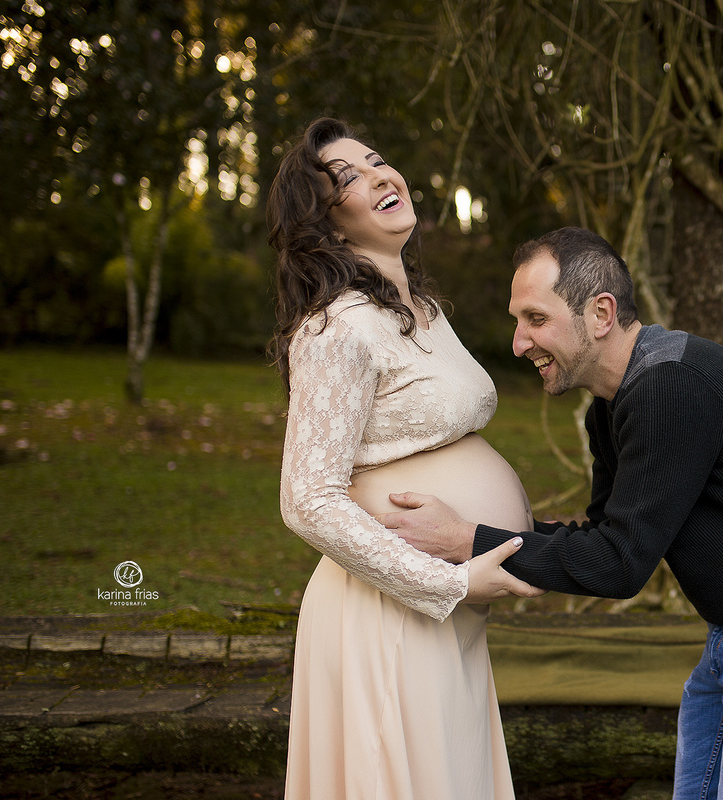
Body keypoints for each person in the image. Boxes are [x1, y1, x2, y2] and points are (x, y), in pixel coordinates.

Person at [380, 227, 723, 799]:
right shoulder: (612, 405)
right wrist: (490, 533)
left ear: (601, 314)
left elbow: (618, 566)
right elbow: (605, 538)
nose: (518, 343)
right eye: (518, 321)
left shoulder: (670, 386)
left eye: (536, 319)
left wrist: (467, 539)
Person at [267, 117, 543, 800]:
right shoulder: (337, 327)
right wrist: (449, 584)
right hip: (386, 614)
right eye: (347, 178)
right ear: (325, 223)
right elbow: (307, 499)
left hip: (439, 618)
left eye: (376, 160)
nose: (378, 176)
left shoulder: (423, 310)